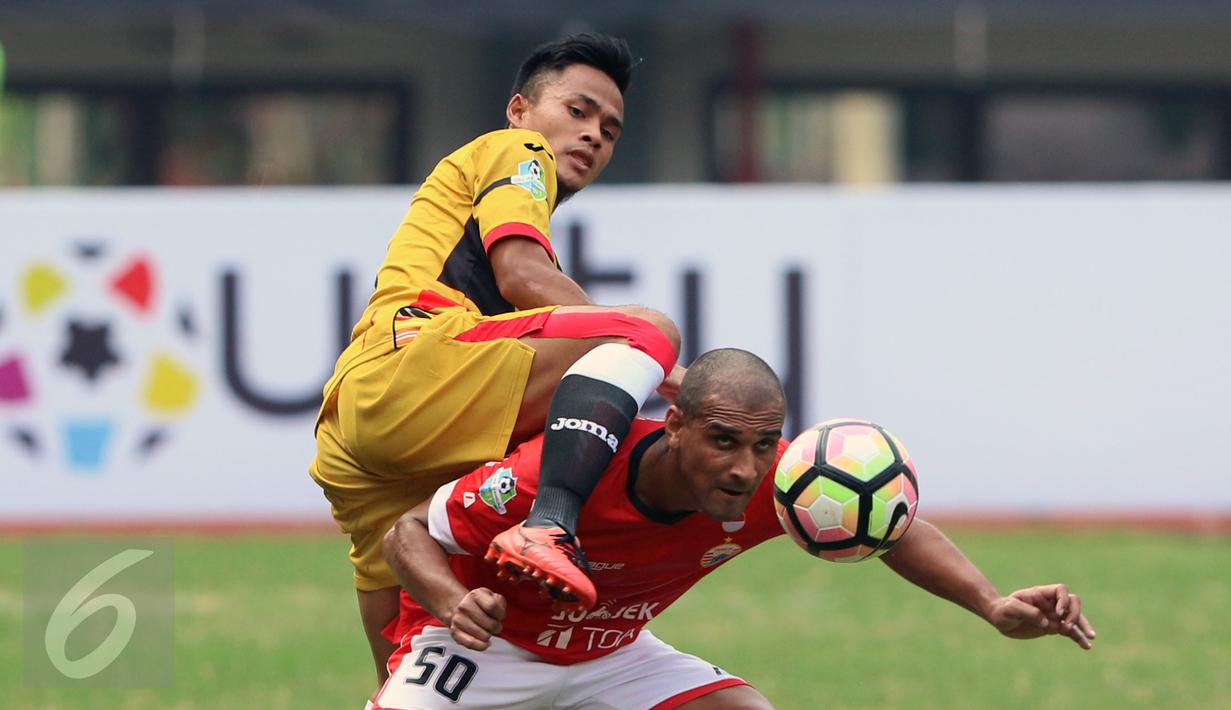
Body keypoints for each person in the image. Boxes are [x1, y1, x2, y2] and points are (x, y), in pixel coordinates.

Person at [376, 348, 1097, 710]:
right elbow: (406, 533)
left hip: (613, 653)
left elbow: (894, 529)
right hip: (485, 646)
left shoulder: (780, 482)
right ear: (676, 423)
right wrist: (449, 602)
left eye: (762, 444)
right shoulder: (562, 469)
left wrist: (991, 604)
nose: (745, 468)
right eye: (722, 440)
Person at [309, 32, 687, 689]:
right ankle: (549, 529)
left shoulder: (495, 185)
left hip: (357, 429)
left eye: (610, 127)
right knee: (647, 332)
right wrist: (662, 370)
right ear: (519, 111)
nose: (594, 134)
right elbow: (519, 273)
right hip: (415, 366)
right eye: (577, 110)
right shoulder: (518, 150)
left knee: (399, 666)